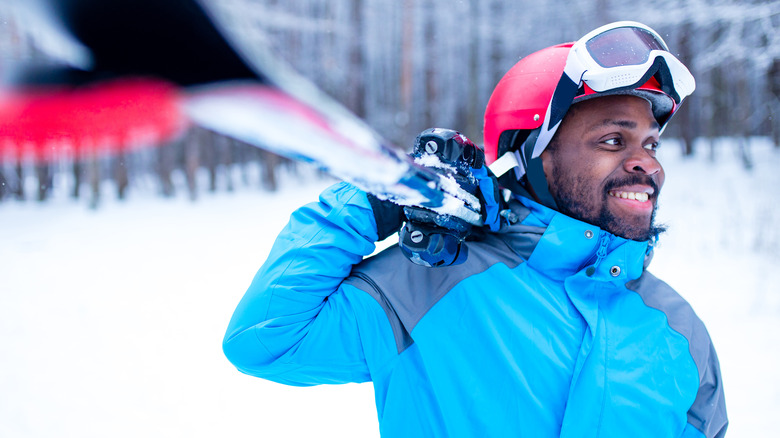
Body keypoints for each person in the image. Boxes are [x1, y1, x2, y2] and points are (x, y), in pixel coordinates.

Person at [223, 21, 727, 437]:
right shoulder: (431, 283)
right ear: (533, 158)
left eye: (652, 144)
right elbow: (265, 341)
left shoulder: (678, 329)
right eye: (614, 140)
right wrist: (373, 205)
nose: (647, 164)